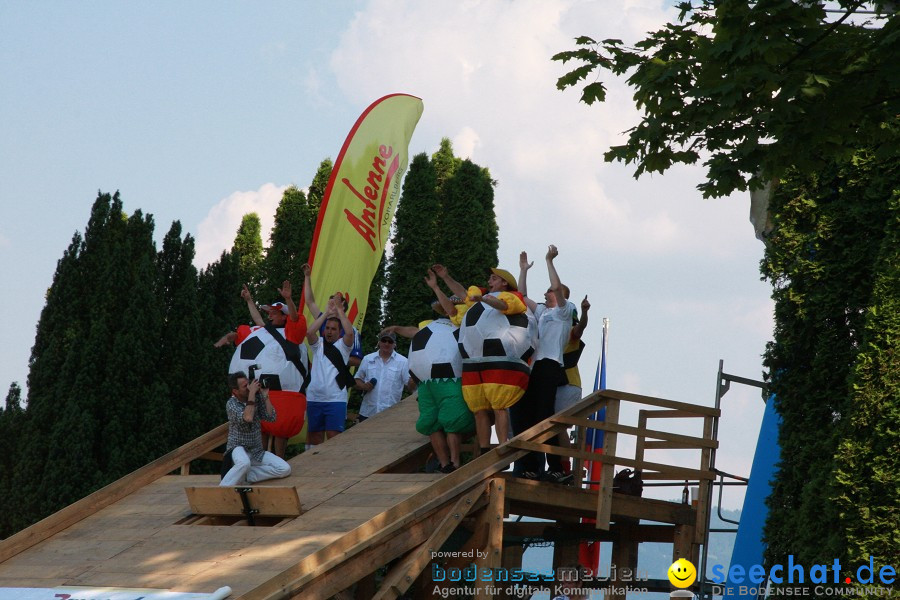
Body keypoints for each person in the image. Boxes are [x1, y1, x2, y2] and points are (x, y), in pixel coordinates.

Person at [381, 268, 475, 473]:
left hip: (452, 380)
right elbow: (414, 332)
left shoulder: (467, 324)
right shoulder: (430, 326)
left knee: (453, 421)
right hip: (428, 383)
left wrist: (435, 286)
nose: (453, 308)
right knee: (429, 423)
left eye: (457, 305)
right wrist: (396, 328)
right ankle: (444, 463)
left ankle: (456, 463)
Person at [214, 281, 308, 458]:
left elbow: (295, 318)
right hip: (257, 390)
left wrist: (288, 300)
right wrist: (231, 335)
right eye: (269, 313)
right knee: (261, 431)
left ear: (283, 316)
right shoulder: (262, 331)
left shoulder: (292, 333)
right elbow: (251, 325)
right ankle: (261, 459)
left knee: (281, 430)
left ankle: (280, 460)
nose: (270, 316)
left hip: (284, 393)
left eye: (274, 313)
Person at [457, 264, 536, 456]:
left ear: (504, 282)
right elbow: (460, 297)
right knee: (478, 409)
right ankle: (484, 449)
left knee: (499, 406)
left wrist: (485, 299)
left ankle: (502, 446)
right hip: (475, 360)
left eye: (493, 278)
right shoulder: (478, 303)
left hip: (503, 360)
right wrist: (444, 278)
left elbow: (504, 306)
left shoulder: (512, 297)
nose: (489, 281)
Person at [512, 245, 575, 483]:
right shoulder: (542, 311)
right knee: (523, 413)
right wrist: (523, 270)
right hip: (534, 367)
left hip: (550, 365)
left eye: (550, 291)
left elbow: (558, 288)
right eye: (547, 291)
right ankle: (529, 465)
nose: (547, 292)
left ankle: (557, 467)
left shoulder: (564, 311)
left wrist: (549, 261)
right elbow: (521, 297)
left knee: (543, 414)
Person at [220, 370, 291, 487]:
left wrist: (265, 396)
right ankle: (222, 488)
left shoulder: (256, 398)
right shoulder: (231, 404)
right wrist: (252, 394)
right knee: (244, 463)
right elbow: (247, 417)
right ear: (235, 391)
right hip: (238, 448)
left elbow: (271, 417)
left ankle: (247, 476)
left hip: (256, 450)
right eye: (245, 386)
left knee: (284, 469)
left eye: (249, 384)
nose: (249, 388)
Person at [305, 295, 356, 448]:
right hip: (315, 398)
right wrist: (327, 313)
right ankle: (314, 470)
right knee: (315, 437)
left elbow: (350, 334)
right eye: (327, 328)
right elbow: (309, 333)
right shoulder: (318, 345)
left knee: (334, 439)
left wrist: (340, 311)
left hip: (335, 400)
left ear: (339, 332)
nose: (329, 331)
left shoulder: (343, 346)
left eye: (333, 329)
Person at [302, 263, 363, 368]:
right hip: (320, 370)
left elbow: (357, 361)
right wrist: (307, 277)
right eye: (329, 303)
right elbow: (309, 302)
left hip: (338, 375)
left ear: (342, 308)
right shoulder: (323, 321)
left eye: (333, 304)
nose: (330, 306)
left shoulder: (351, 331)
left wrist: (334, 358)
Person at [354, 330, 412, 421]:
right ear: (379, 342)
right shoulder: (367, 359)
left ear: (394, 344)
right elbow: (357, 379)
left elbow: (409, 384)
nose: (386, 343)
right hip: (367, 412)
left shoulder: (403, 362)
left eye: (390, 341)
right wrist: (363, 386)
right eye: (384, 340)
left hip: (391, 415)